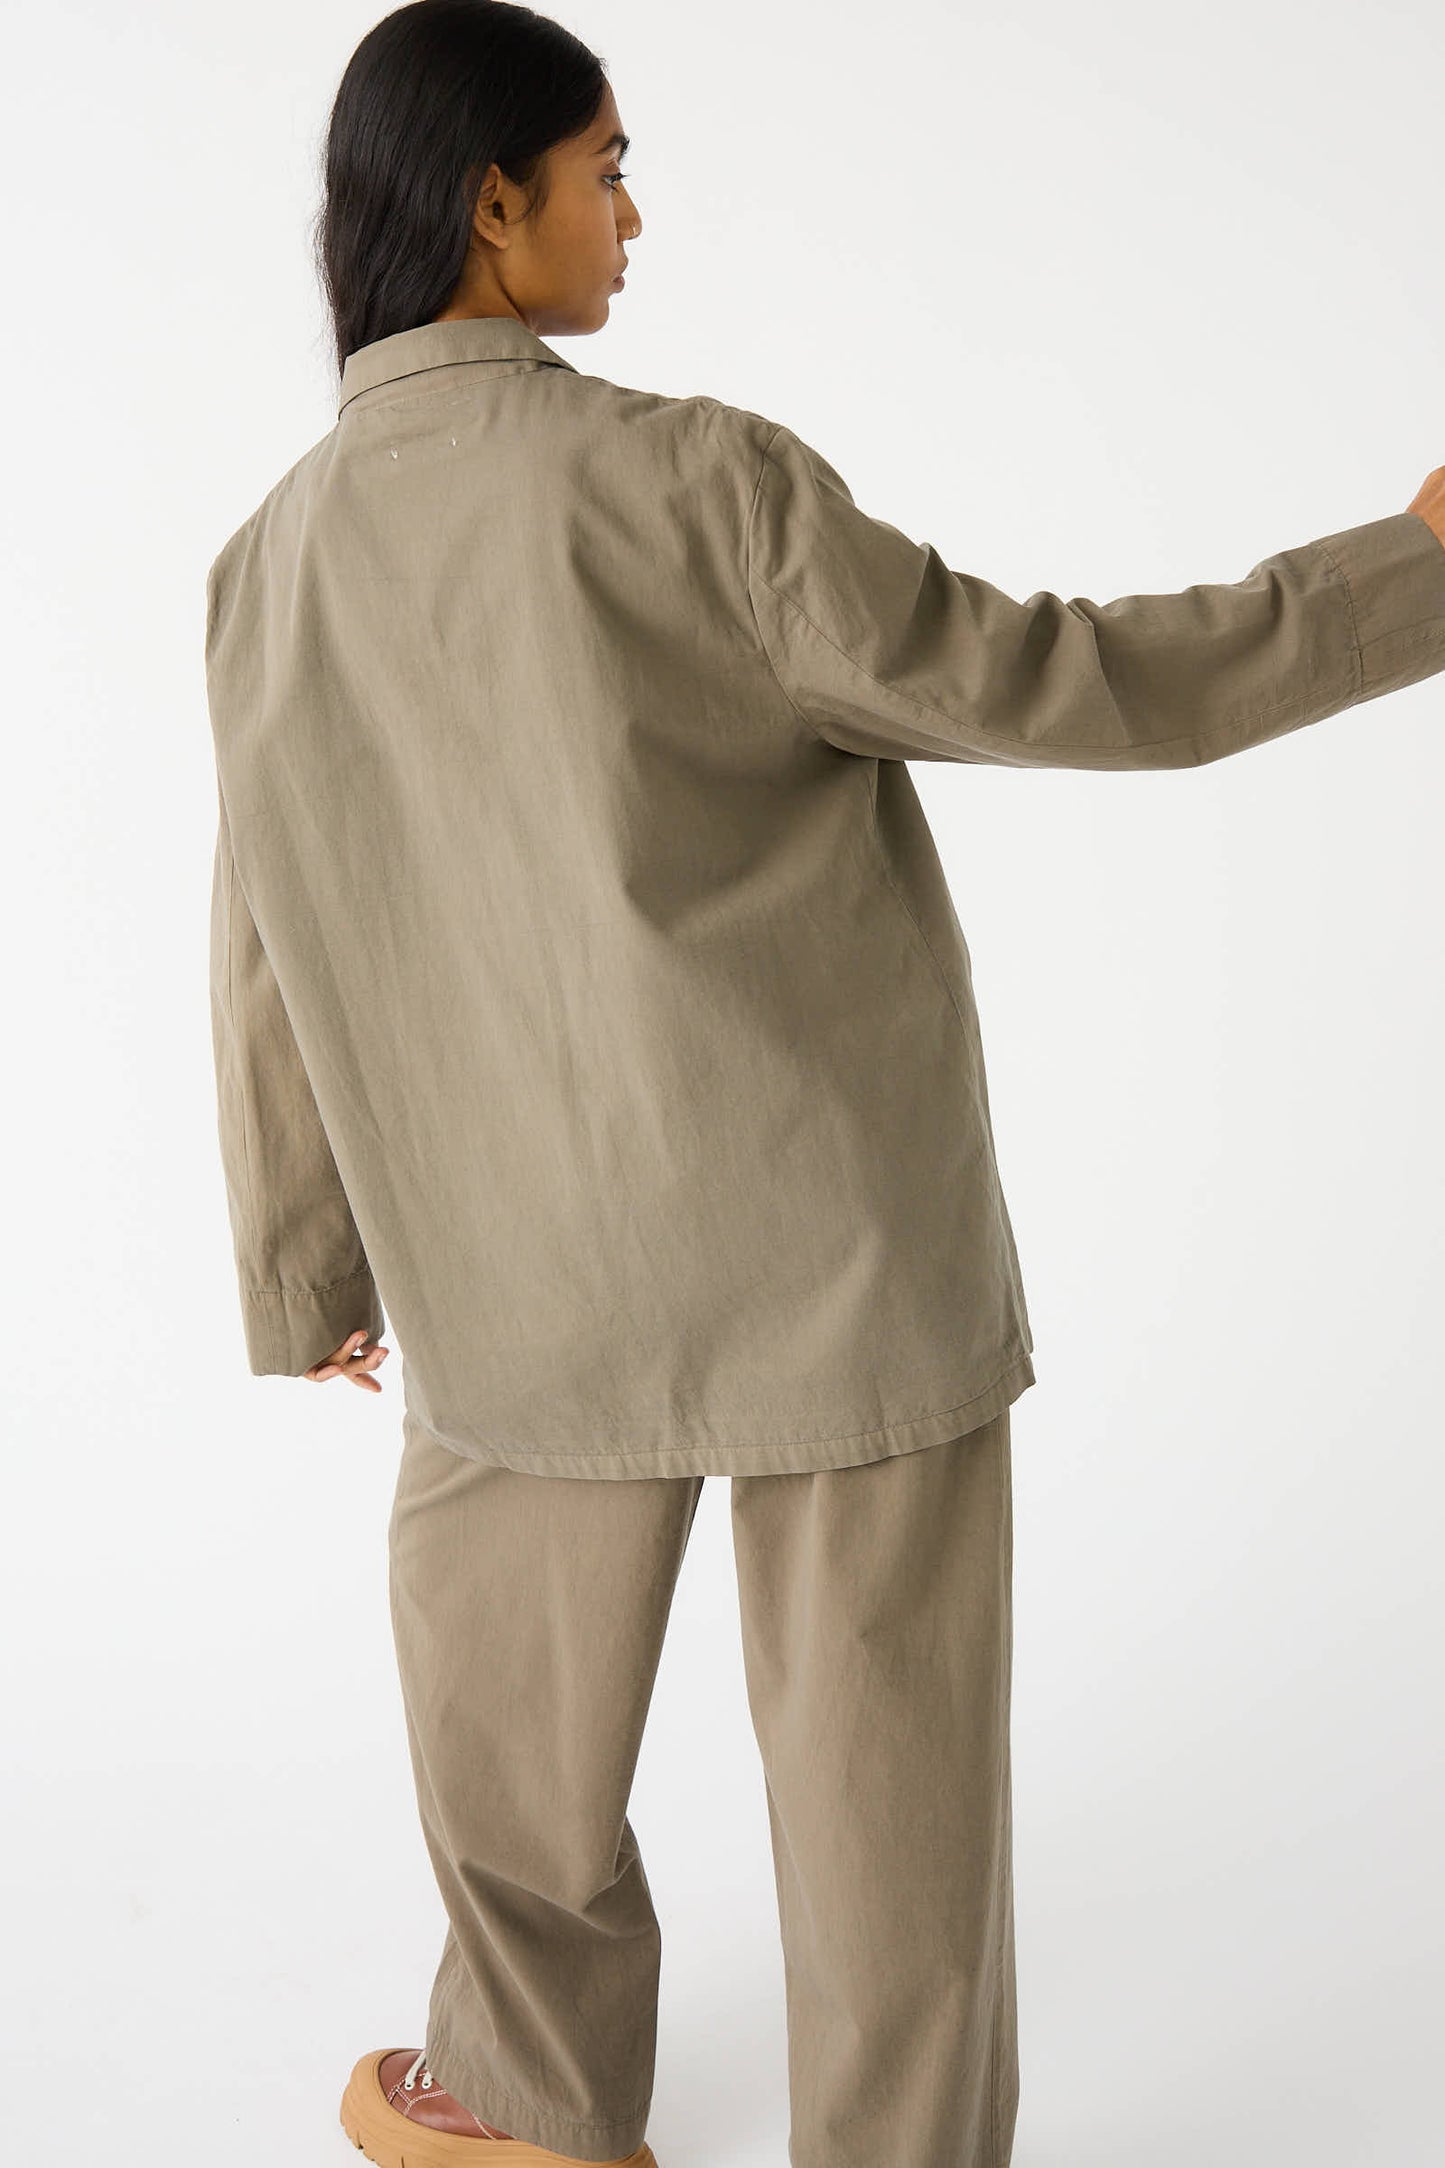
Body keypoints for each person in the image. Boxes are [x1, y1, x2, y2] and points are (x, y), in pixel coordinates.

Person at [202, 4, 1445, 2164]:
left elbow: (266, 940)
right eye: (602, 169)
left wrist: (305, 1254)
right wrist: (1411, 569)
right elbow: (1057, 682)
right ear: (493, 205)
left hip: (504, 1278)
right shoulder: (694, 478)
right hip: (835, 1251)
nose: (630, 210)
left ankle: (519, 2105)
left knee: (507, 1763)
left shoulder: (267, 568)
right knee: (888, 1795)